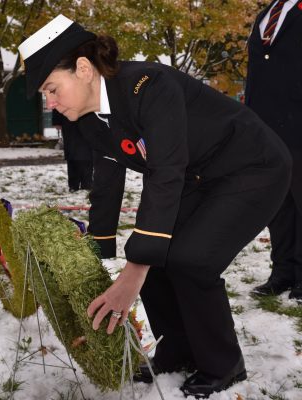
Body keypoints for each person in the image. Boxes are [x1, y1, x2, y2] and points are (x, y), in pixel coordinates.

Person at [18, 15, 292, 398]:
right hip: (200, 176)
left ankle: (223, 364)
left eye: (51, 89)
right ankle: (177, 351)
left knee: (192, 259)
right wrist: (97, 251)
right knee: (158, 253)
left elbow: (165, 173)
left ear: (82, 69)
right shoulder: (91, 121)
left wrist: (131, 275)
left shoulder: (149, 85)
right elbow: (108, 182)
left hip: (253, 166)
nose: (50, 103)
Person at [245, 0, 302, 301]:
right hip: (266, 126)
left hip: (299, 124)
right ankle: (282, 274)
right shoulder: (266, 14)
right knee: (279, 205)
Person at [52, 109, 93, 192]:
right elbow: (56, 99)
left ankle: (86, 183)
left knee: (86, 153)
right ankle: (74, 184)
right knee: (73, 153)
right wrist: (57, 120)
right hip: (69, 119)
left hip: (86, 118)